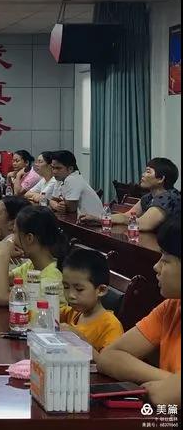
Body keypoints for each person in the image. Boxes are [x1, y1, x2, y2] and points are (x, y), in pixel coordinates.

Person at [97, 214, 181, 407]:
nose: (156, 266)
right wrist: (171, 382)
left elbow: (163, 396)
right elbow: (108, 357)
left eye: (166, 260)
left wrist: (171, 389)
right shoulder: (171, 307)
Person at [0, 206, 69, 307]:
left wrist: (4, 254)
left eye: (14, 233)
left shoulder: (52, 278)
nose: (11, 239)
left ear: (29, 238)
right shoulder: (31, 266)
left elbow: (0, 297)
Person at [79, 157, 180, 232]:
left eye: (148, 172)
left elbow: (142, 224)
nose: (143, 174)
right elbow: (127, 215)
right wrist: (97, 219)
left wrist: (102, 219)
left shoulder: (169, 198)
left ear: (160, 179)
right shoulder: (149, 197)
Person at [59, 248, 123, 360]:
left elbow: (109, 364)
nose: (70, 295)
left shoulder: (110, 326)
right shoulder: (71, 312)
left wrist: (80, 341)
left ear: (101, 290)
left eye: (79, 289)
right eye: (66, 287)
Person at [49, 150, 104, 217]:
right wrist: (56, 205)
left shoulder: (73, 179)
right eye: (52, 167)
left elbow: (71, 209)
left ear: (70, 169)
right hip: (78, 219)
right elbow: (53, 200)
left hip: (93, 221)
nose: (54, 171)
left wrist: (61, 204)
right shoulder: (60, 179)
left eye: (58, 168)